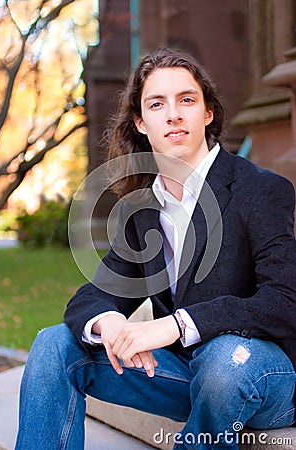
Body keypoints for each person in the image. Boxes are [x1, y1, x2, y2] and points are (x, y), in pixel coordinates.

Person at [15, 47, 296, 450]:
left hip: (264, 378)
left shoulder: (260, 190)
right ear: (141, 122)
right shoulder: (143, 210)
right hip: (187, 375)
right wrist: (109, 323)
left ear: (208, 113)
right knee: (54, 345)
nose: (174, 114)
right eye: (157, 104)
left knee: (222, 362)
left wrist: (176, 324)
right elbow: (92, 298)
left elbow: (285, 301)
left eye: (187, 100)